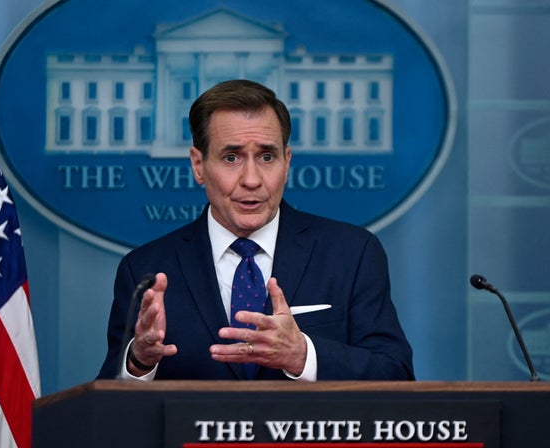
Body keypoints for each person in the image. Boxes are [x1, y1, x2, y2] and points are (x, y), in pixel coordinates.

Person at [97, 79, 414, 381]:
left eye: (267, 156)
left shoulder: (351, 254)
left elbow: (396, 374)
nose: (252, 179)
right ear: (198, 165)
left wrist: (304, 355)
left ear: (286, 162)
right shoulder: (145, 269)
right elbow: (106, 401)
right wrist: (138, 362)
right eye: (231, 157)